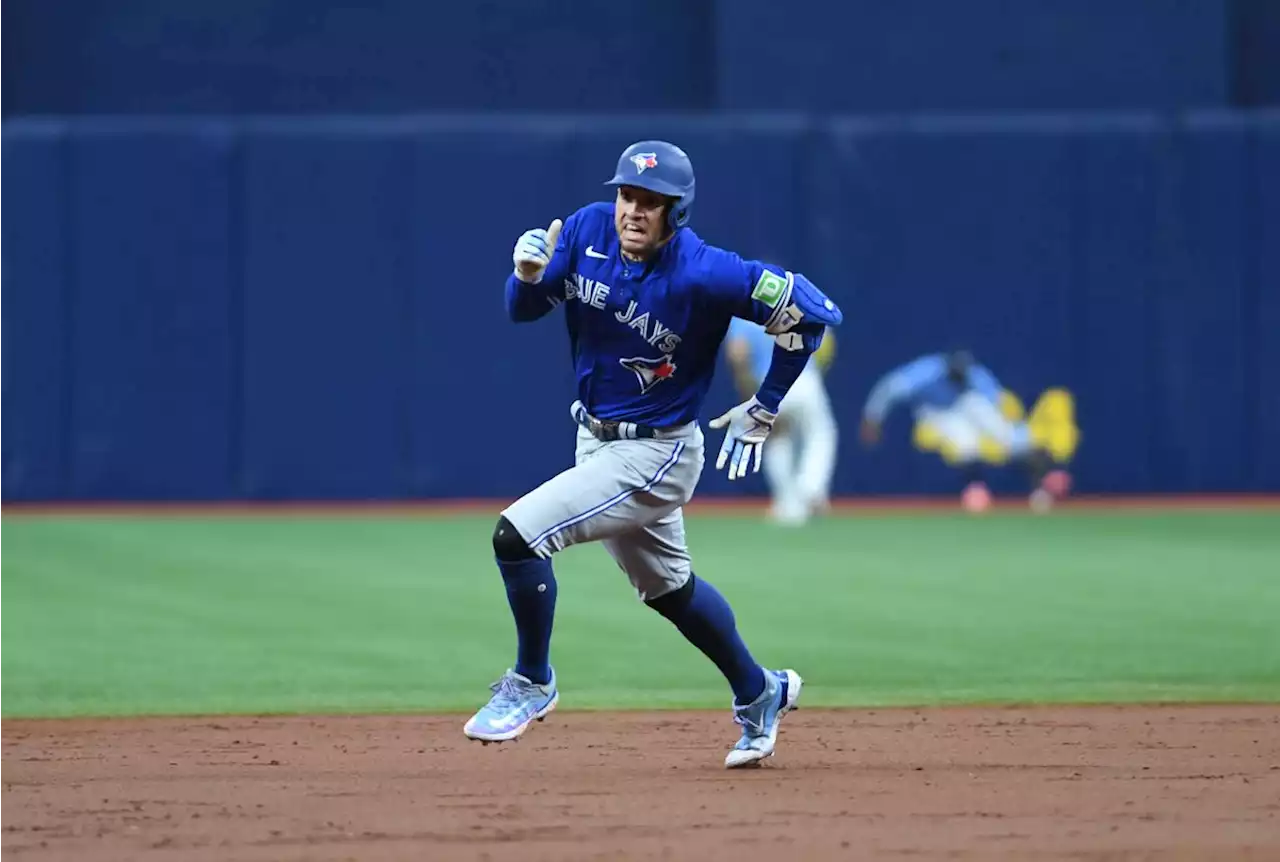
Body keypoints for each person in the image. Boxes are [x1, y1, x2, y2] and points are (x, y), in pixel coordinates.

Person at [464, 140, 842, 768]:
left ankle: (533, 682)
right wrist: (525, 278)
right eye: (627, 195)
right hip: (595, 439)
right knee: (670, 589)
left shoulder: (708, 273)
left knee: (517, 536)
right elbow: (521, 310)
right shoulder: (587, 229)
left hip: (657, 454)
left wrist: (767, 403)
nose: (633, 211)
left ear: (678, 212)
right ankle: (759, 691)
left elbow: (815, 313)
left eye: (652, 202)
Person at [859, 350, 1072, 512]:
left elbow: (994, 399)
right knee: (965, 445)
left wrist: (1004, 425)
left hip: (966, 403)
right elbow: (889, 388)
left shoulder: (974, 376)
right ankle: (975, 490)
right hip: (935, 411)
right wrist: (872, 418)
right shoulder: (927, 371)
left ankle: (1045, 478)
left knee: (1010, 439)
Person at [723, 317, 838, 525]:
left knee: (776, 439)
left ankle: (788, 504)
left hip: (770, 384)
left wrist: (749, 394)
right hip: (804, 377)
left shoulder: (743, 314)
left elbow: (738, 355)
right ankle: (810, 490)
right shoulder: (794, 298)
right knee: (820, 433)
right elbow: (826, 341)